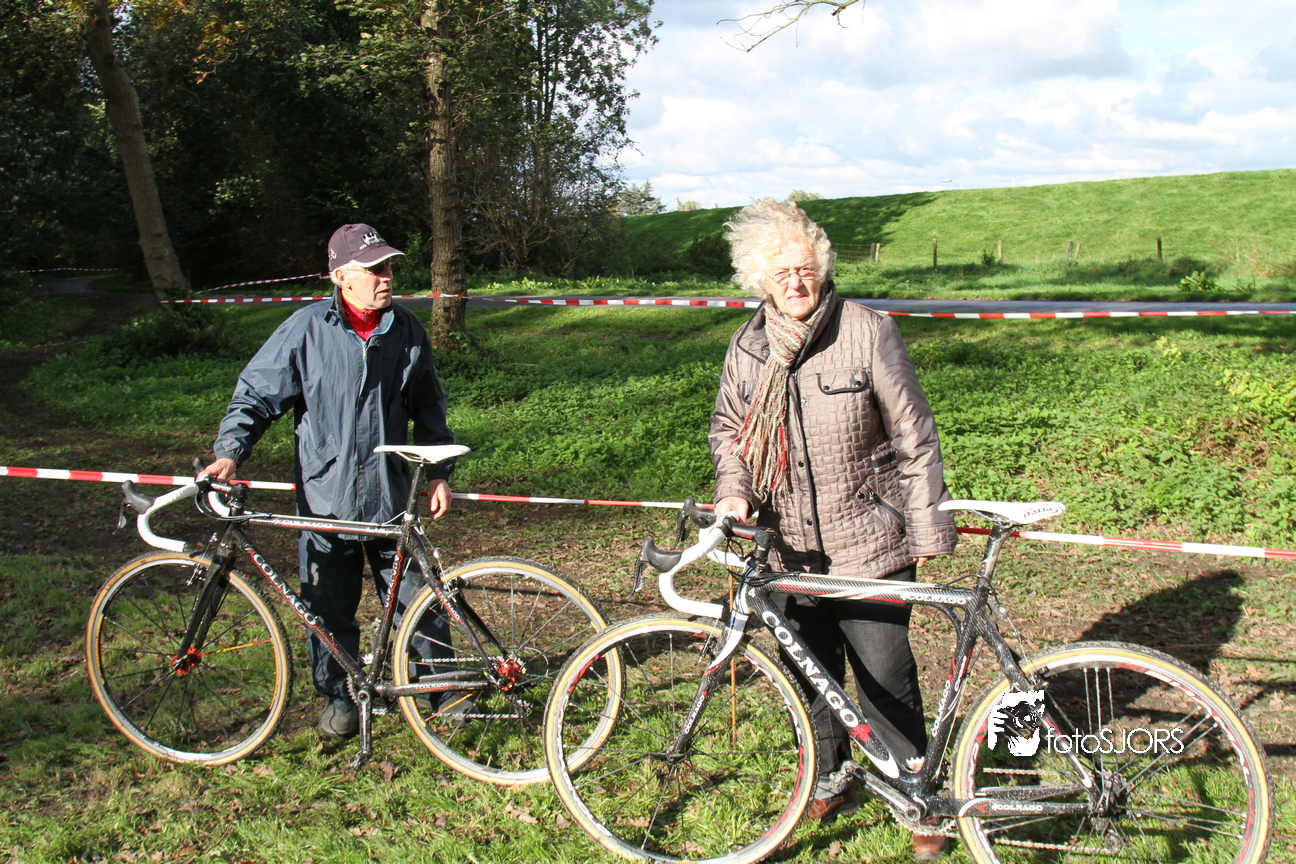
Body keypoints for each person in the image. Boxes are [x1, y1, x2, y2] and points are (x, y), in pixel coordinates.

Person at [709, 199, 957, 861]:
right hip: (786, 545)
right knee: (810, 674)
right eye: (781, 272)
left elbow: (914, 435)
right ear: (760, 279)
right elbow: (730, 434)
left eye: (804, 268)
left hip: (868, 540)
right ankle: (830, 775)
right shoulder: (748, 346)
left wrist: (927, 530)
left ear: (821, 269)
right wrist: (733, 492)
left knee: (884, 676)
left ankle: (915, 791)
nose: (795, 282)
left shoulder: (866, 331)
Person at [203, 223, 456, 740]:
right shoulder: (305, 330)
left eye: (388, 267)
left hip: (390, 496)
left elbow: (429, 406)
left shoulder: (407, 330)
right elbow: (255, 396)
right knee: (327, 606)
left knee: (417, 600)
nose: (386, 278)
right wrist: (229, 453)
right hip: (325, 500)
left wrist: (437, 474)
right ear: (342, 276)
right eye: (374, 269)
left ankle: (443, 691)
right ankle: (340, 698)